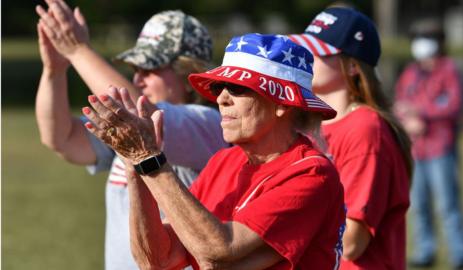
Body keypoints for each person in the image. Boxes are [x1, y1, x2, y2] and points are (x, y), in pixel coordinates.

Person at [82, 33, 346, 269]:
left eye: (238, 88)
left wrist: (150, 160)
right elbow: (157, 261)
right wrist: (135, 168)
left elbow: (217, 251)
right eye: (220, 87)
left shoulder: (311, 174)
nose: (221, 98)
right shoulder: (224, 161)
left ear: (283, 104)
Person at [35, 1, 228, 269]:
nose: (138, 80)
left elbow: (140, 115)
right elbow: (61, 138)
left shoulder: (207, 122)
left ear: (188, 74)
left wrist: (79, 51)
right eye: (135, 70)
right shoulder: (131, 132)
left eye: (150, 70)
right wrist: (54, 71)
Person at [289, 7, 412, 269]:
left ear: (353, 66)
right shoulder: (306, 126)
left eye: (317, 52)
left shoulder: (365, 129)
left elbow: (352, 243)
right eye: (304, 48)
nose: (304, 57)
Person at [394, 18, 463, 269]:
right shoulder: (411, 72)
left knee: (448, 203)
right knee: (419, 204)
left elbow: (452, 104)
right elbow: (400, 102)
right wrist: (407, 118)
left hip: (440, 147)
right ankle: (425, 251)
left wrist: (421, 113)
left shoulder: (448, 70)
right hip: (417, 150)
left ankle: (459, 253)